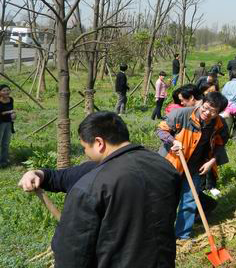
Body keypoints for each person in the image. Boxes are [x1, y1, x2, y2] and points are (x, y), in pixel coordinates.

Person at [18, 111, 181, 268]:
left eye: (84, 147)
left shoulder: (91, 187)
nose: (85, 152)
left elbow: (72, 253)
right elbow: (66, 176)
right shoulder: (164, 166)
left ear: (99, 143)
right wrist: (38, 174)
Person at [156, 92, 229, 240]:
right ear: (202, 103)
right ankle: (160, 233)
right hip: (171, 164)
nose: (207, 113)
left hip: (195, 167)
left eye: (213, 111)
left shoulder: (219, 124)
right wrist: (172, 141)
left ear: (219, 112)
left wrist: (211, 161)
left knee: (189, 201)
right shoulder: (182, 114)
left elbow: (220, 144)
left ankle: (182, 236)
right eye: (206, 108)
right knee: (166, 199)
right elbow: (161, 130)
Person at [0, 84, 15, 167]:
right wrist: (9, 112)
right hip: (0, 123)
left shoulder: (11, 99)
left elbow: (12, 110)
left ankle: (3, 161)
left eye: (7, 90)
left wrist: (13, 114)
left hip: (8, 123)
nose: (6, 92)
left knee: (6, 143)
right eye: (4, 90)